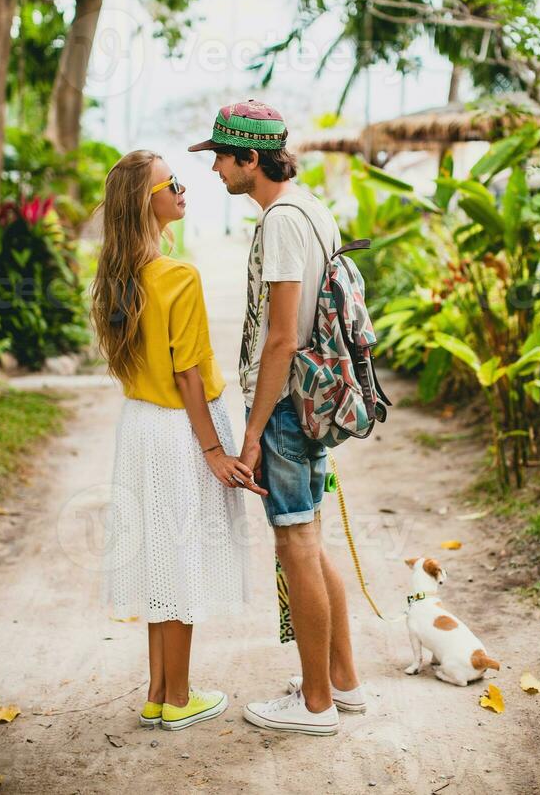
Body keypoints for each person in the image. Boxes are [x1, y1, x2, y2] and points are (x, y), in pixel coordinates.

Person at [188, 100, 366, 736]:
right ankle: (342, 684)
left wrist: (253, 432)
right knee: (309, 541)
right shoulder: (308, 206)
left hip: (290, 409)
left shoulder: (283, 221)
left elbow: (281, 338)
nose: (214, 172)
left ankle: (315, 704)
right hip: (307, 403)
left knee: (295, 544)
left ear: (251, 159)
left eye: (220, 159)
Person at [92, 149, 265, 733]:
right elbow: (189, 372)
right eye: (174, 183)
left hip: (140, 427)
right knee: (180, 561)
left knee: (159, 560)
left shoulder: (118, 276)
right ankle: (180, 697)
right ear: (149, 202)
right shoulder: (176, 274)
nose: (184, 189)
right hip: (179, 432)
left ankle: (157, 692)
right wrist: (215, 448)